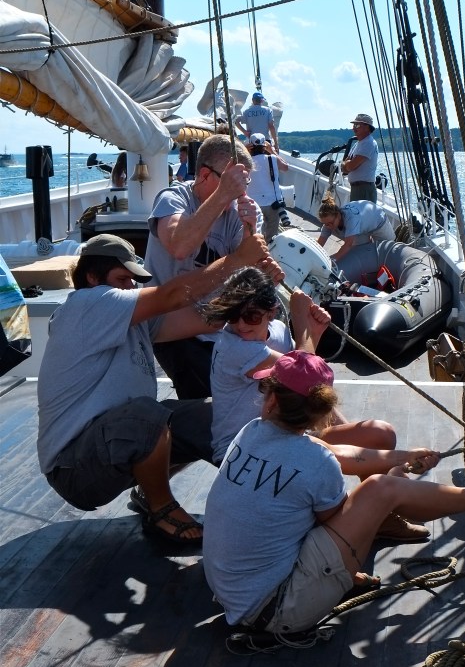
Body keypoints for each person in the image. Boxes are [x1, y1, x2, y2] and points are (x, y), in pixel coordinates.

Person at [203, 351, 465, 637]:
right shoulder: (315, 461)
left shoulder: (252, 432)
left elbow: (338, 454)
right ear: (320, 412)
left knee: (379, 488)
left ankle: (348, 559)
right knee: (380, 490)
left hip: (232, 593)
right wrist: (397, 481)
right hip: (276, 611)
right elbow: (333, 518)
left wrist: (402, 457)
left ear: (272, 401)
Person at [36, 234, 265, 549]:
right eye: (123, 279)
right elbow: (173, 296)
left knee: (213, 415)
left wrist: (253, 282)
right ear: (92, 277)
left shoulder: (132, 320)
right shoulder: (86, 305)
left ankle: (264, 497)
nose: (131, 287)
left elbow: (206, 319)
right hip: (75, 469)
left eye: (133, 280)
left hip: (115, 446)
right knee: (147, 417)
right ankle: (162, 507)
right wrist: (238, 259)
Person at [204, 269, 429, 544]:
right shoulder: (234, 347)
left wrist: (313, 331)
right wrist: (304, 323)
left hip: (287, 433)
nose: (239, 324)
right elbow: (302, 378)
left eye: (250, 316)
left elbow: (303, 386)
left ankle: (381, 517)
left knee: (379, 434)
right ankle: (352, 531)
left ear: (271, 311)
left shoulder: (276, 331)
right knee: (336, 483)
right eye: (232, 315)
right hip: (245, 448)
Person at [144, 134, 281, 399]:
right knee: (214, 383)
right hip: (171, 324)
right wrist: (222, 195)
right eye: (234, 182)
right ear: (205, 175)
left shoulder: (240, 214)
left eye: (245, 182)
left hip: (216, 323)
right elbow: (179, 245)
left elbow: (247, 275)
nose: (242, 191)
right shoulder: (173, 198)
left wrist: (253, 239)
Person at [316, 196, 394, 264]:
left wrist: (331, 260)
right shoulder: (328, 223)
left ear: (338, 215)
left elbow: (348, 244)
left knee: (387, 250)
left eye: (331, 223)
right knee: (361, 252)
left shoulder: (351, 219)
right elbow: (319, 244)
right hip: (361, 228)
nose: (328, 226)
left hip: (378, 220)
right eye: (326, 224)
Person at [246, 133, 290, 243]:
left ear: (250, 146)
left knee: (256, 237)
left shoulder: (246, 161)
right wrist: (272, 151)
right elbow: (285, 167)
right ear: (264, 146)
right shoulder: (272, 159)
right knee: (272, 238)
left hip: (254, 205)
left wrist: (245, 151)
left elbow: (232, 164)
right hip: (272, 204)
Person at [341, 113, 378, 202]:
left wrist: (347, 164)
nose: (353, 128)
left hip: (364, 190)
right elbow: (344, 168)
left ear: (367, 127)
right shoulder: (358, 144)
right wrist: (347, 164)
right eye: (353, 125)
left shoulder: (368, 143)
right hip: (356, 189)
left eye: (357, 125)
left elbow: (350, 166)